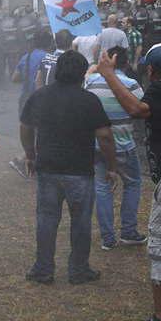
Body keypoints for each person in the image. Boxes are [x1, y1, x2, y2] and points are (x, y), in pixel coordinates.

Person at [21, 50, 120, 284]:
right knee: (81, 222)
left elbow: (25, 126)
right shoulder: (89, 100)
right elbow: (105, 136)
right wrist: (112, 166)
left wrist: (30, 155)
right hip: (80, 171)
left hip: (48, 168)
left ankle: (43, 269)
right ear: (83, 73)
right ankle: (78, 270)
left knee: (46, 220)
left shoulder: (40, 96)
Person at [96, 44, 161, 321]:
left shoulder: (156, 89)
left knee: (158, 251)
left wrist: (108, 74)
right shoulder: (140, 84)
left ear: (151, 69)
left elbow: (137, 109)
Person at [85, 46, 147, 250]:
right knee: (133, 184)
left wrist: (95, 68)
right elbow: (140, 110)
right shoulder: (131, 84)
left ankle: (108, 238)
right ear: (126, 63)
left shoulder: (91, 83)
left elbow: (87, 76)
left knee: (102, 189)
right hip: (125, 144)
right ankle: (129, 232)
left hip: (98, 145)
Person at [9, 30, 53, 178]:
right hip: (44, 99)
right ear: (49, 43)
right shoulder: (50, 58)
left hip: (26, 98)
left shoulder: (26, 58)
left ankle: (27, 159)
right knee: (41, 131)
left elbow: (14, 78)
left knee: (28, 131)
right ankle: (28, 160)